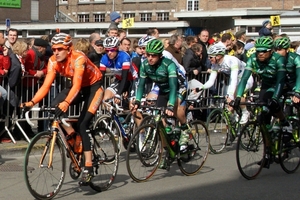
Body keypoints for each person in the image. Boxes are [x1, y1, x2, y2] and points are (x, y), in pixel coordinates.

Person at [21, 33, 104, 185]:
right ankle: (73, 137)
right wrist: (31, 102)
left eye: (60, 49)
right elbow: (46, 86)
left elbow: (77, 86)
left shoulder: (78, 58)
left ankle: (89, 166)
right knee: (54, 107)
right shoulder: (53, 61)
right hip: (76, 88)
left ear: (69, 49)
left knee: (83, 124)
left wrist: (66, 103)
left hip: (94, 87)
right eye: (53, 49)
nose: (56, 52)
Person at [233, 36, 287, 168]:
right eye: (258, 51)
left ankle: (285, 122)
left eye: (264, 51)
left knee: (273, 106)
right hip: (266, 86)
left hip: (280, 86)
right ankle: (268, 153)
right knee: (263, 118)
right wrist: (238, 97)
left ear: (271, 51)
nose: (260, 54)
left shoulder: (278, 59)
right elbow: (244, 78)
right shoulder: (253, 59)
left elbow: (281, 80)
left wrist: (275, 98)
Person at [132, 39, 190, 157]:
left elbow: (173, 87)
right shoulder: (145, 65)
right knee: (159, 118)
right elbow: (141, 85)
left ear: (160, 55)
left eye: (153, 56)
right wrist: (137, 101)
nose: (150, 58)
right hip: (163, 90)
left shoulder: (169, 64)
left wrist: (170, 105)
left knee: (177, 111)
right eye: (148, 55)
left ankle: (185, 129)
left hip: (178, 87)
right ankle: (168, 148)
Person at [196, 44, 253, 124]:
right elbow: (211, 81)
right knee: (229, 105)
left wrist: (230, 95)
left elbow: (233, 79)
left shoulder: (231, 60)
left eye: (211, 57)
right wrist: (200, 88)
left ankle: (245, 112)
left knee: (235, 93)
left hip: (245, 79)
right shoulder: (215, 65)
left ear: (218, 56)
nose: (209, 59)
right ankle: (233, 127)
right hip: (235, 80)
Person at [100, 36, 138, 103]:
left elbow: (125, 77)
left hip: (132, 80)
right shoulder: (104, 58)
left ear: (117, 48)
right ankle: (113, 113)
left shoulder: (124, 57)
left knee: (132, 105)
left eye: (112, 50)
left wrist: (118, 94)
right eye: (107, 50)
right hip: (119, 80)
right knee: (105, 99)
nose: (109, 53)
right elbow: (101, 77)